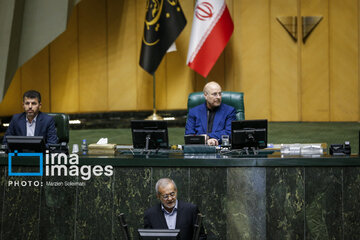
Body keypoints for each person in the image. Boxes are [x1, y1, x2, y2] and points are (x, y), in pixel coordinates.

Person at [185, 81, 236, 146]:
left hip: (220, 150)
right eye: (214, 94)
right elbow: (189, 136)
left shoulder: (229, 111)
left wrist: (207, 137)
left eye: (220, 94)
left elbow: (230, 133)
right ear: (205, 95)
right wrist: (205, 141)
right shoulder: (194, 112)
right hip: (199, 150)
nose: (218, 97)